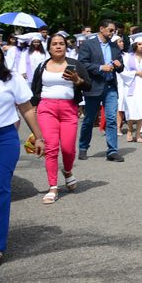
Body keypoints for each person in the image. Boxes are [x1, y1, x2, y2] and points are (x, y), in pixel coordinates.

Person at [30, 34, 91, 203]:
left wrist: (77, 79)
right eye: (54, 44)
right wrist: (33, 108)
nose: (58, 46)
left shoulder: (75, 64)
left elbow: (88, 85)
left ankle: (68, 171)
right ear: (49, 48)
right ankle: (53, 187)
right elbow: (35, 89)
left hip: (68, 109)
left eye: (61, 44)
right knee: (51, 148)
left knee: (68, 149)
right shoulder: (42, 66)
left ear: (66, 46)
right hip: (46, 109)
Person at [0, 45, 45, 264]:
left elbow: (26, 108)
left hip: (5, 139)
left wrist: (39, 137)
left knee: (1, 188)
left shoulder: (11, 79)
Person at [78, 19, 125, 162]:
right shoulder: (88, 44)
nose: (112, 33)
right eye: (110, 30)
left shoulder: (114, 46)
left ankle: (112, 151)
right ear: (101, 29)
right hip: (94, 86)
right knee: (89, 119)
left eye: (114, 31)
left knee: (111, 119)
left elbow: (121, 67)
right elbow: (82, 64)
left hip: (110, 87)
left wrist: (119, 65)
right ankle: (83, 147)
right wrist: (100, 67)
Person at [120, 33, 142, 143]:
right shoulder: (127, 57)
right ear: (135, 45)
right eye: (139, 44)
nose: (141, 46)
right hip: (131, 86)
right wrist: (135, 73)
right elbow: (122, 72)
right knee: (131, 110)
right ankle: (130, 130)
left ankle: (138, 134)